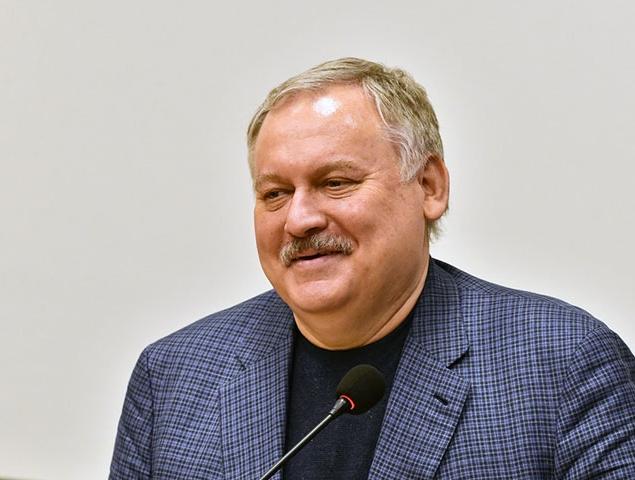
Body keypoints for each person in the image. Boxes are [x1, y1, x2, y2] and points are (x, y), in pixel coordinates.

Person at [110, 58, 635, 479]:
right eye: (275, 193)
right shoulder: (173, 377)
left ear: (429, 187)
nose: (299, 219)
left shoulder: (563, 362)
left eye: (335, 183)